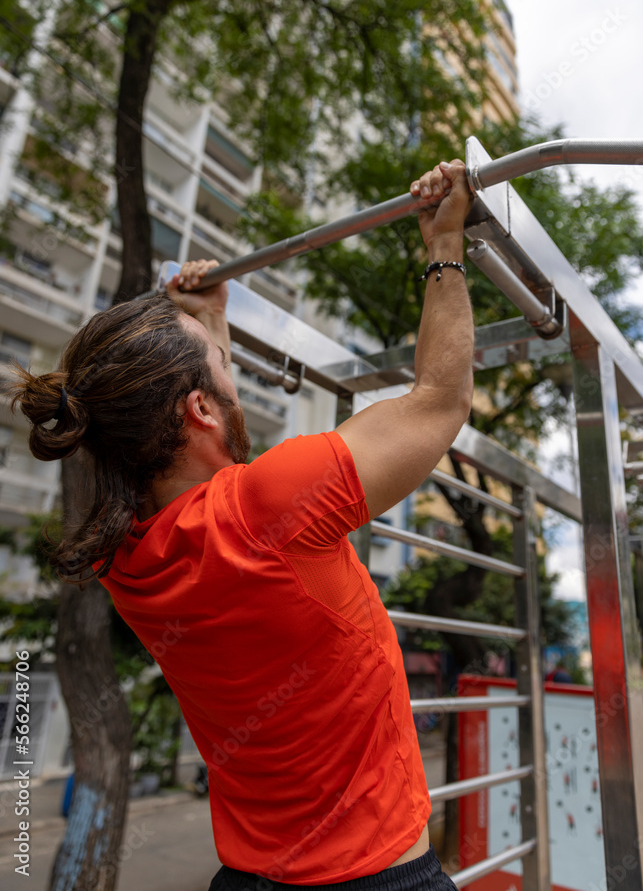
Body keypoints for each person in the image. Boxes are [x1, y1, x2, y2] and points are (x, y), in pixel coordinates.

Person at [11, 160, 474, 891]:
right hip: (377, 878)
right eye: (223, 368)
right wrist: (443, 244)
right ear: (198, 409)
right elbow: (440, 399)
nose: (232, 373)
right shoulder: (270, 506)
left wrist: (207, 324)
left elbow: (212, 471)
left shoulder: (123, 559)